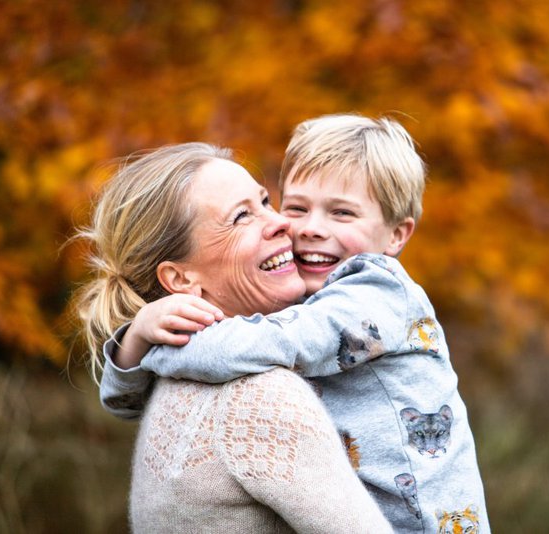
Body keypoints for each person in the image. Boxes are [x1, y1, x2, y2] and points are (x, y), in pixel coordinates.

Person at [102, 115, 491, 533]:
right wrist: (137, 337)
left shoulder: (376, 294)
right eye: (295, 207)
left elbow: (276, 343)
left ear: (397, 235)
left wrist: (162, 345)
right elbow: (123, 402)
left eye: (342, 213)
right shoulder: (302, 307)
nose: (308, 229)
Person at [75, 142, 393, 533]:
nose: (282, 223)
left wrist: (141, 345)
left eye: (264, 201)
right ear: (180, 280)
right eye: (241, 216)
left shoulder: (178, 377)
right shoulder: (258, 396)